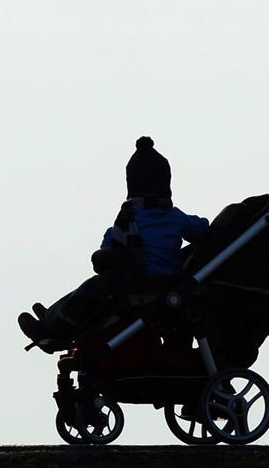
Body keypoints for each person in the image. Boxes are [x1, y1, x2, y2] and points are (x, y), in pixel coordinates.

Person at [18, 136, 210, 348]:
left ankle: (56, 323)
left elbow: (108, 246)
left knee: (90, 289)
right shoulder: (175, 217)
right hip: (166, 281)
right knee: (96, 291)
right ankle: (55, 317)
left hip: (140, 284)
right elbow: (201, 230)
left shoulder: (128, 218)